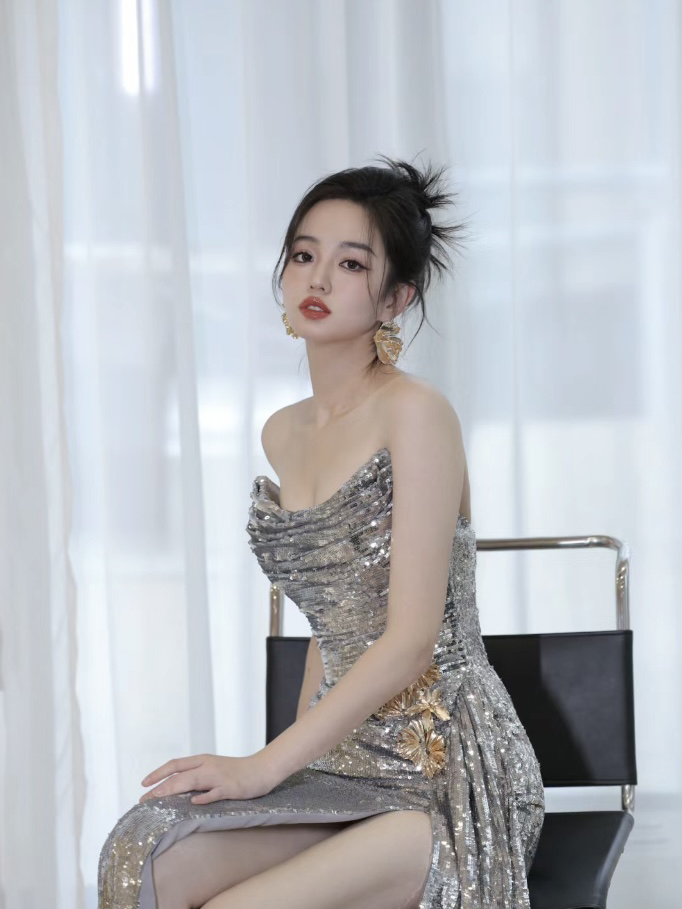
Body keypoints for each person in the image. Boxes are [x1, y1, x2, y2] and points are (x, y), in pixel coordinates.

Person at [98, 155, 545, 909]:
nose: (318, 279)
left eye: (351, 264)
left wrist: (264, 767)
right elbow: (331, 626)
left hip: (446, 769)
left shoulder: (416, 413)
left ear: (396, 298)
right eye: (304, 256)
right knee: (142, 855)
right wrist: (292, 770)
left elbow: (409, 643)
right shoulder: (283, 432)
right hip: (344, 755)